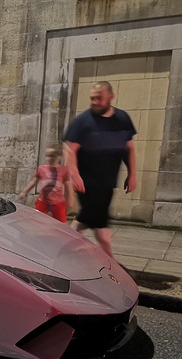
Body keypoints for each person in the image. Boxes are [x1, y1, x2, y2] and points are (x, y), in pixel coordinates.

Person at [64, 81, 137, 258]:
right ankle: (111, 264)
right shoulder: (83, 122)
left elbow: (129, 148)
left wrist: (132, 174)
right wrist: (75, 175)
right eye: (92, 98)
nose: (95, 101)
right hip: (87, 183)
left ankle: (65, 252)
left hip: (107, 182)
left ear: (110, 97)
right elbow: (69, 150)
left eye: (99, 98)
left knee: (84, 221)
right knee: (102, 229)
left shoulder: (122, 119)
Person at [18, 147, 73, 223]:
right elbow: (34, 181)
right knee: (37, 221)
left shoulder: (64, 170)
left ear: (59, 156)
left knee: (61, 223)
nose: (49, 158)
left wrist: (70, 198)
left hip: (58, 202)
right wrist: (24, 192)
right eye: (48, 155)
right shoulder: (41, 168)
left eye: (53, 155)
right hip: (43, 201)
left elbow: (68, 185)